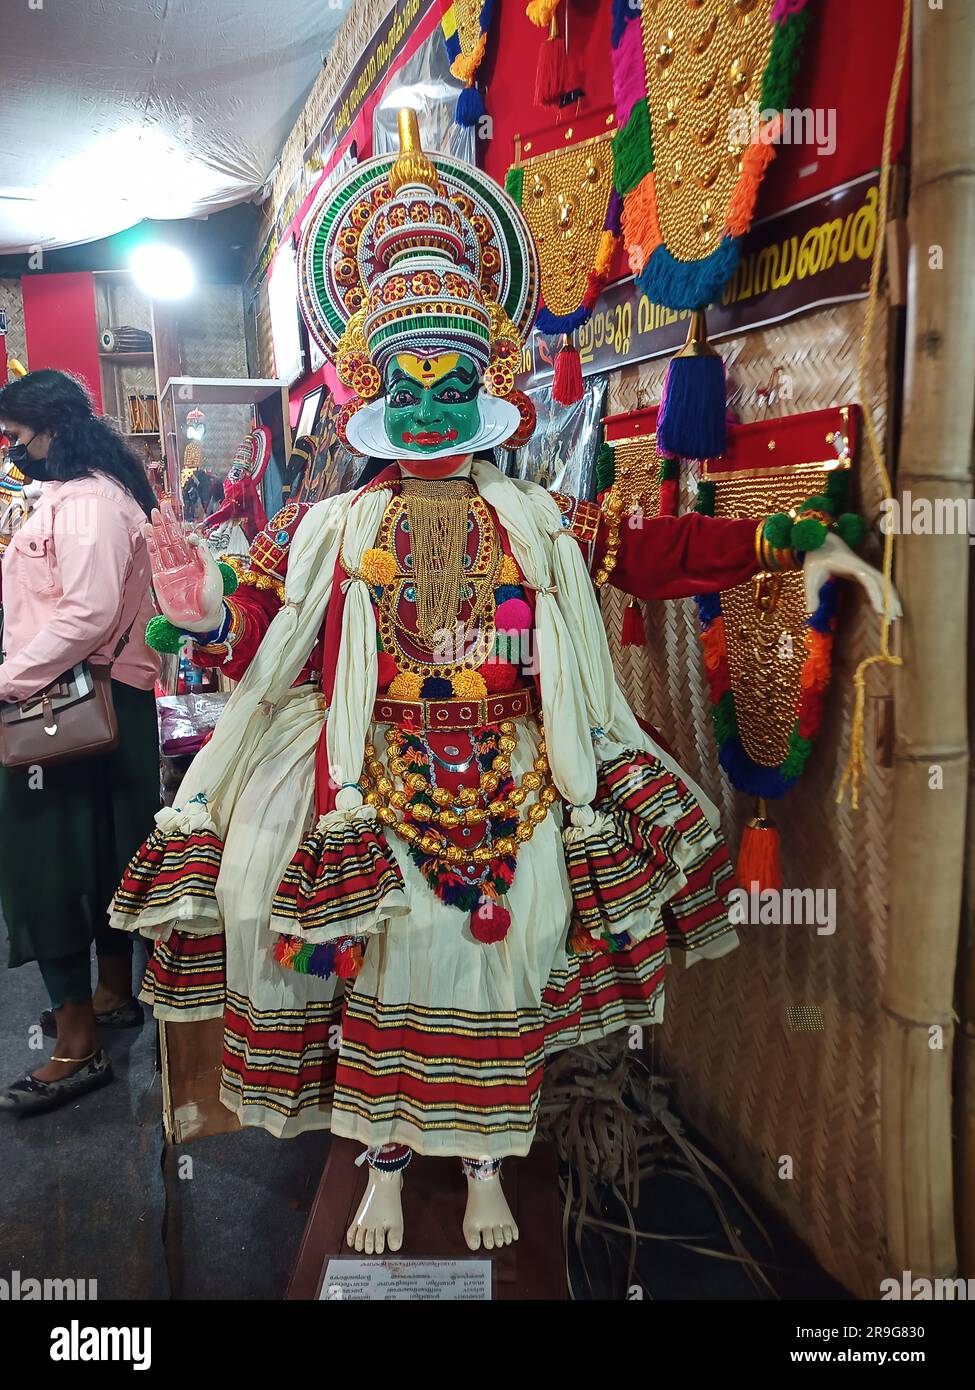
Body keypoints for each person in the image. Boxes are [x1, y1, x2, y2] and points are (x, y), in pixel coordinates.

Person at [110, 114, 895, 1251]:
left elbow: (652, 553)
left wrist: (778, 537)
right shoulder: (330, 524)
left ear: (490, 382)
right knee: (376, 967)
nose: (429, 409)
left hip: (524, 774)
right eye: (410, 385)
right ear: (371, 385)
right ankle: (383, 1163)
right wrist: (197, 609)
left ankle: (484, 1161)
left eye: (452, 382)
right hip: (368, 785)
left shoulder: (538, 517)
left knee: (501, 967)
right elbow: (256, 628)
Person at [0, 369, 161, 1116]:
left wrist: (7, 679)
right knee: (100, 855)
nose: (12, 448)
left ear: (50, 428)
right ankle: (109, 997)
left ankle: (75, 1045)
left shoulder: (91, 502)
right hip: (92, 705)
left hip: (64, 706)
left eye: (16, 435)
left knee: (48, 867)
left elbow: (88, 615)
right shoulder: (87, 493)